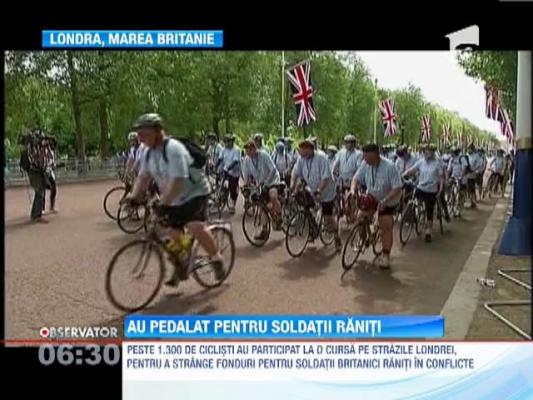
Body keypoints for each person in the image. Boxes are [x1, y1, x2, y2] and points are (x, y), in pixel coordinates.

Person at [123, 113, 225, 284]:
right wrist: (133, 197)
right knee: (173, 233)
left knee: (195, 226)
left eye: (144, 133)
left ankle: (216, 258)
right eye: (139, 134)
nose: (140, 138)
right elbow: (142, 178)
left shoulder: (173, 149)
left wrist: (163, 202)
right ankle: (183, 264)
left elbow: (178, 180)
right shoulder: (149, 153)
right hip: (174, 197)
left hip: (195, 192)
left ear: (157, 132)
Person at [350, 143, 403, 269]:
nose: (366, 161)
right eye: (365, 158)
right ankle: (364, 238)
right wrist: (352, 190)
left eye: (369, 158)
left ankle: (385, 256)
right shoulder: (365, 164)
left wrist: (385, 200)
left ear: (377, 155)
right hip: (372, 197)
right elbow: (356, 179)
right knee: (360, 216)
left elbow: (397, 187)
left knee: (386, 226)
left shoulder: (390, 166)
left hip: (388, 199)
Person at [291, 139, 342, 251]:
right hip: (312, 189)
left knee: (328, 217)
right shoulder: (301, 159)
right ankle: (313, 230)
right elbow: (298, 175)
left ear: (310, 149)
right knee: (305, 206)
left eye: (303, 150)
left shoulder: (321, 158)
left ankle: (336, 236)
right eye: (300, 150)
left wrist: (319, 190)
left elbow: (325, 177)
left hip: (326, 191)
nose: (301, 152)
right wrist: (294, 187)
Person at [403, 144, 445, 242]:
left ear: (432, 152)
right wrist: (404, 174)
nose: (425, 153)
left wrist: (441, 189)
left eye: (428, 151)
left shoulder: (437, 163)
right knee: (410, 198)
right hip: (420, 187)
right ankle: (414, 211)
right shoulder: (421, 162)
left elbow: (441, 177)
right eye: (424, 151)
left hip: (431, 190)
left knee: (429, 211)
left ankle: (428, 231)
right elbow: (412, 170)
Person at [242, 140, 283, 236]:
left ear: (255, 149)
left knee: (272, 195)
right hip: (260, 183)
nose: (248, 151)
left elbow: (273, 169)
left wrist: (267, 182)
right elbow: (246, 175)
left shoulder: (264, 155)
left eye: (250, 149)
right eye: (247, 150)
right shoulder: (247, 160)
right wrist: (245, 186)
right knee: (261, 205)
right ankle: (264, 230)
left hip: (273, 180)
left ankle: (279, 215)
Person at [19, 131, 50, 223]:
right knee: (40, 192)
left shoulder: (38, 148)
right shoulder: (33, 148)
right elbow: (36, 161)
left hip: (37, 171)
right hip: (34, 171)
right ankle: (36, 215)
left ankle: (36, 213)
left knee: (40, 191)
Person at [332, 134, 363, 221]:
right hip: (341, 180)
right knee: (339, 196)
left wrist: (356, 177)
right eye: (347, 142)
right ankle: (340, 210)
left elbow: (359, 167)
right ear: (345, 143)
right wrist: (334, 174)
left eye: (351, 142)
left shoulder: (358, 154)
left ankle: (352, 214)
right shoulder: (341, 153)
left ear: (354, 143)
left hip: (352, 180)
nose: (349, 144)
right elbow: (335, 164)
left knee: (352, 198)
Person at [217, 134, 241, 214]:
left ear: (231, 142)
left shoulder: (236, 150)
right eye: (225, 142)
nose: (226, 144)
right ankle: (221, 198)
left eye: (228, 142)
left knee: (232, 188)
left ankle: (233, 202)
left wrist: (228, 168)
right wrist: (215, 165)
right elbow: (220, 159)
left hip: (234, 172)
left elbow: (235, 161)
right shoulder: (224, 149)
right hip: (226, 170)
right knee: (221, 184)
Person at [43, 136, 58, 213]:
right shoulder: (45, 150)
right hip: (45, 171)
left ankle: (52, 207)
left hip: (50, 171)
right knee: (42, 189)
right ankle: (41, 208)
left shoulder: (52, 152)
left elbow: (52, 162)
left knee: (53, 189)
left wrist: (54, 165)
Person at [464, 143, 482, 208]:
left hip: (472, 175)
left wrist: (474, 169)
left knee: (471, 189)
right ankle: (471, 201)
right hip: (465, 174)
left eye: (470, 149)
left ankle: (473, 202)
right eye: (468, 148)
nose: (469, 150)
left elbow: (479, 164)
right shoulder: (466, 155)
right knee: (466, 189)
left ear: (473, 149)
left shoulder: (476, 156)